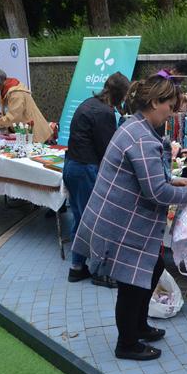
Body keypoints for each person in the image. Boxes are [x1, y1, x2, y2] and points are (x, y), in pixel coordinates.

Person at [71, 72, 187, 361]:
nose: (172, 112)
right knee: (132, 285)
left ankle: (139, 326)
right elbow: (155, 192)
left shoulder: (134, 127)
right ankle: (127, 343)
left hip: (122, 221)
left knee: (152, 269)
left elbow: (149, 179)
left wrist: (176, 183)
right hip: (123, 225)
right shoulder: (143, 137)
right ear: (156, 102)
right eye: (170, 105)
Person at [64, 72, 130, 288]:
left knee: (80, 216)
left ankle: (76, 266)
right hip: (85, 169)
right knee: (96, 220)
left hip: (72, 166)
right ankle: (100, 271)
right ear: (121, 95)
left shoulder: (89, 103)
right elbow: (108, 150)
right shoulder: (105, 113)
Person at [0, 67, 52, 143]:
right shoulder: (5, 91)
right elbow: (9, 110)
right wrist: (0, 117)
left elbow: (13, 116)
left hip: (35, 134)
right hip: (24, 133)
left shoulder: (16, 93)